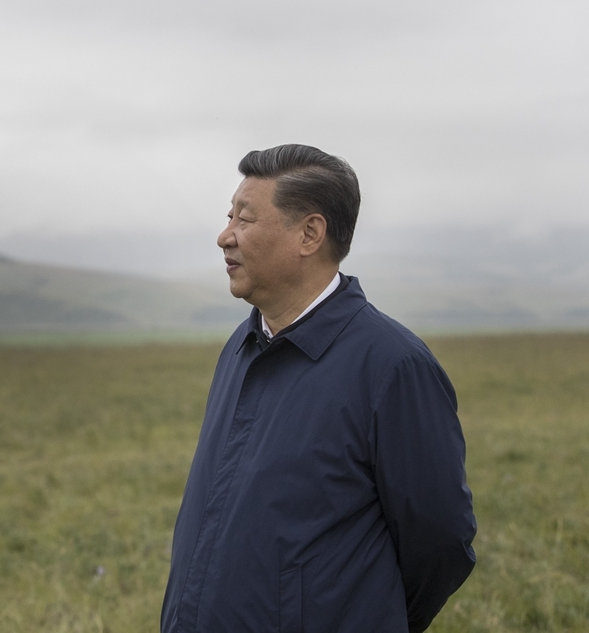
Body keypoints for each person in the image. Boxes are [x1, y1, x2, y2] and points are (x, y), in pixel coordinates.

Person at [161, 144, 476, 633]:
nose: (225, 236)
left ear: (309, 234)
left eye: (245, 219)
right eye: (229, 217)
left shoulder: (392, 366)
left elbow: (440, 543)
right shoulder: (241, 346)